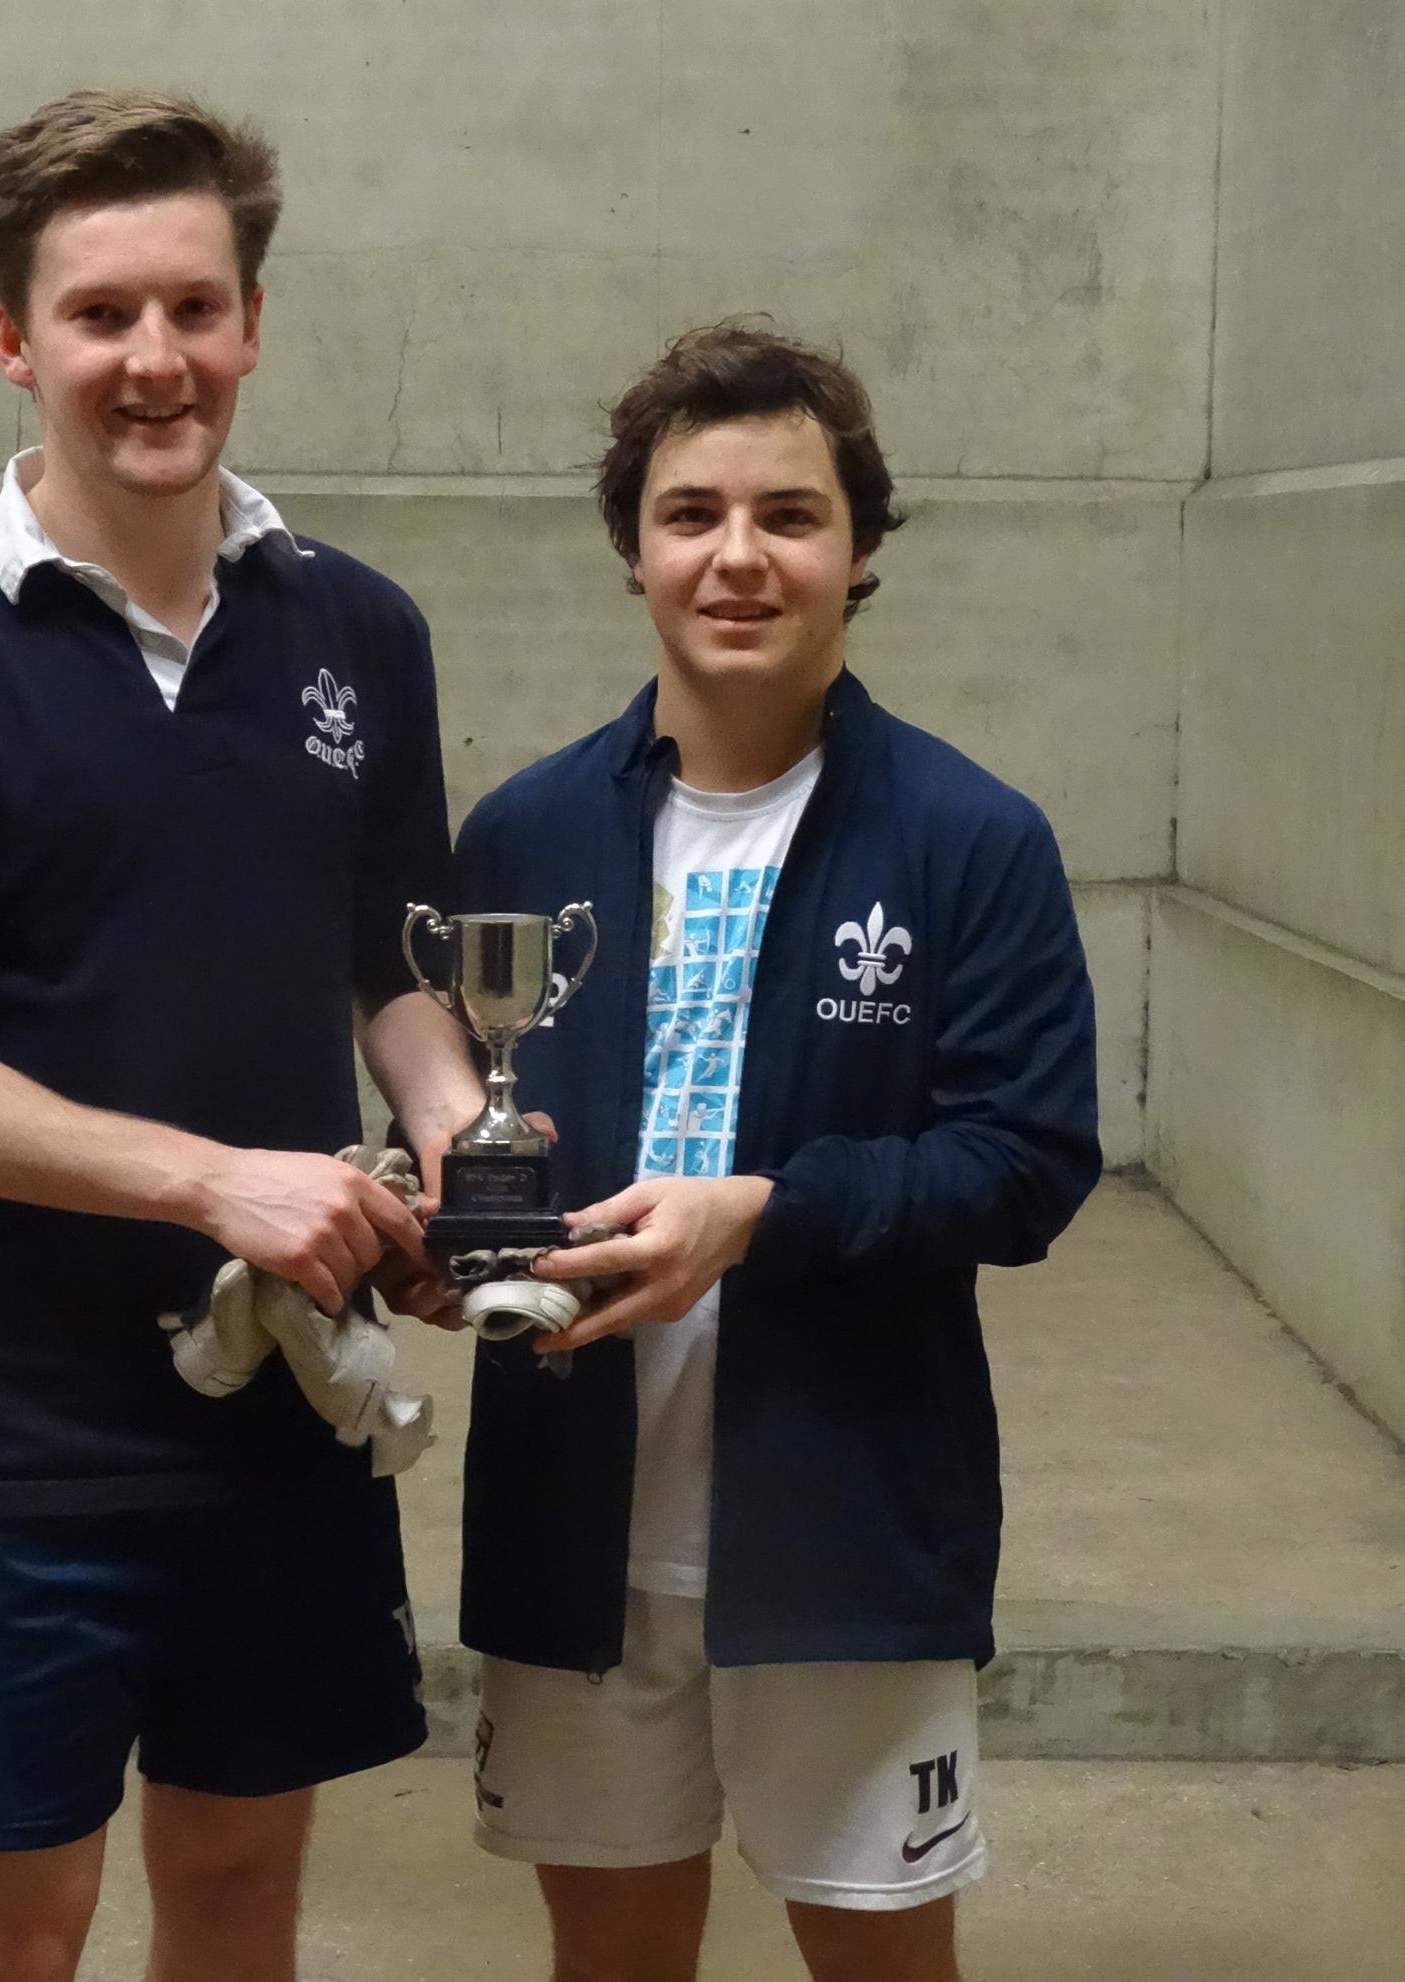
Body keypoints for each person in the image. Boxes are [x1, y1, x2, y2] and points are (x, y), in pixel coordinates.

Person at [0, 89, 479, 1982]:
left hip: (286, 1423)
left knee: (244, 1902)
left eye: (195, 307)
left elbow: (395, 969)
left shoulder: (360, 634)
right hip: (18, 1447)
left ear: (253, 318)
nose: (153, 361)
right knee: (21, 1928)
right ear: (14, 339)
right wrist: (212, 1181)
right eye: (100, 316)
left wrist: (462, 1148)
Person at [451, 323, 1101, 1982]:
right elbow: (465, 1127)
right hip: (578, 1517)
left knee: (880, 1962)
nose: (738, 555)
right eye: (691, 513)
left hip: (848, 1524)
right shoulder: (522, 834)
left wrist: (766, 1212)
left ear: (858, 548)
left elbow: (1029, 1162)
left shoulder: (971, 837)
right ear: (635, 550)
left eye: (789, 514)